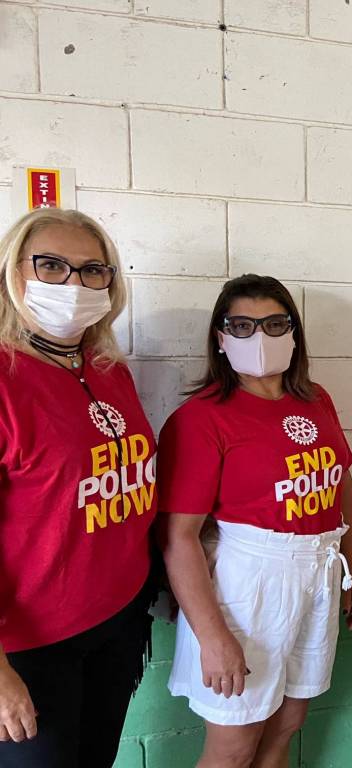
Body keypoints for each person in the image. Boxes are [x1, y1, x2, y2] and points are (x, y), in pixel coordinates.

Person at [158, 275, 352, 767]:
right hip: (248, 585)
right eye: (243, 326)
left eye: (275, 324)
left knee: (286, 724)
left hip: (319, 569)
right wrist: (213, 637)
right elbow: (178, 537)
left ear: (294, 332)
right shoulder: (201, 418)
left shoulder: (315, 399)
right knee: (234, 745)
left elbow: (340, 482)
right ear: (221, 336)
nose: (260, 337)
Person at [0, 208, 156, 766]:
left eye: (93, 270)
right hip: (32, 648)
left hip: (117, 620)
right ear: (14, 272)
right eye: (51, 265)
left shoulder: (109, 369)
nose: (74, 284)